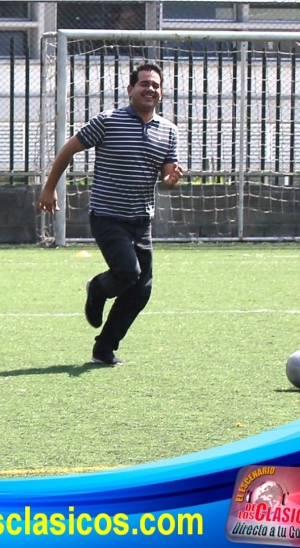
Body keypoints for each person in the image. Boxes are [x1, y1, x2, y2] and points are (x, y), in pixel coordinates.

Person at [37, 61, 183, 366]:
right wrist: (49, 188)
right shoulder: (108, 121)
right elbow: (68, 150)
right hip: (107, 215)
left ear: (162, 93)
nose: (150, 89)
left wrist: (170, 181)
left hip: (141, 220)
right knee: (128, 273)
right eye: (143, 83)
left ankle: (104, 348)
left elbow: (168, 176)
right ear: (130, 90)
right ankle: (97, 288)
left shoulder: (169, 131)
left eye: (155, 85)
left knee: (141, 290)